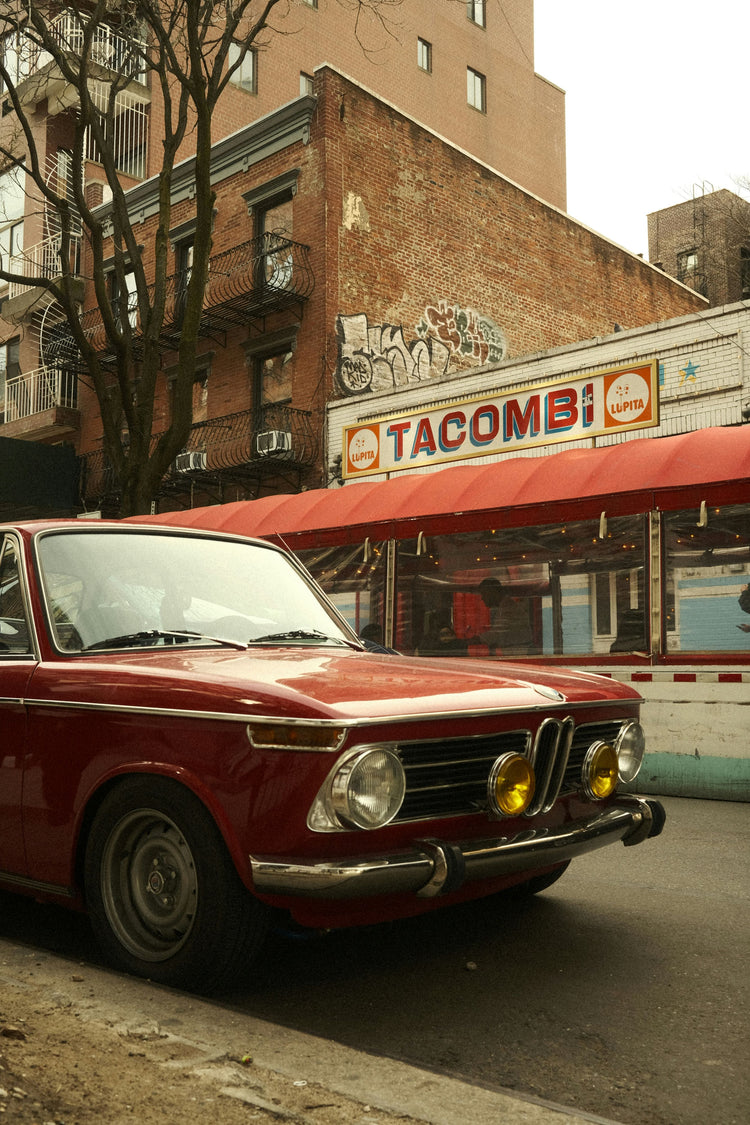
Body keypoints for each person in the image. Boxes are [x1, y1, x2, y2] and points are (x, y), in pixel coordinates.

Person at [475, 577, 533, 655]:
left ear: (492, 592)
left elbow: (496, 634)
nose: (482, 598)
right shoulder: (504, 607)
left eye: (484, 594)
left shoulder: (508, 608)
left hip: (519, 654)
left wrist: (472, 640)